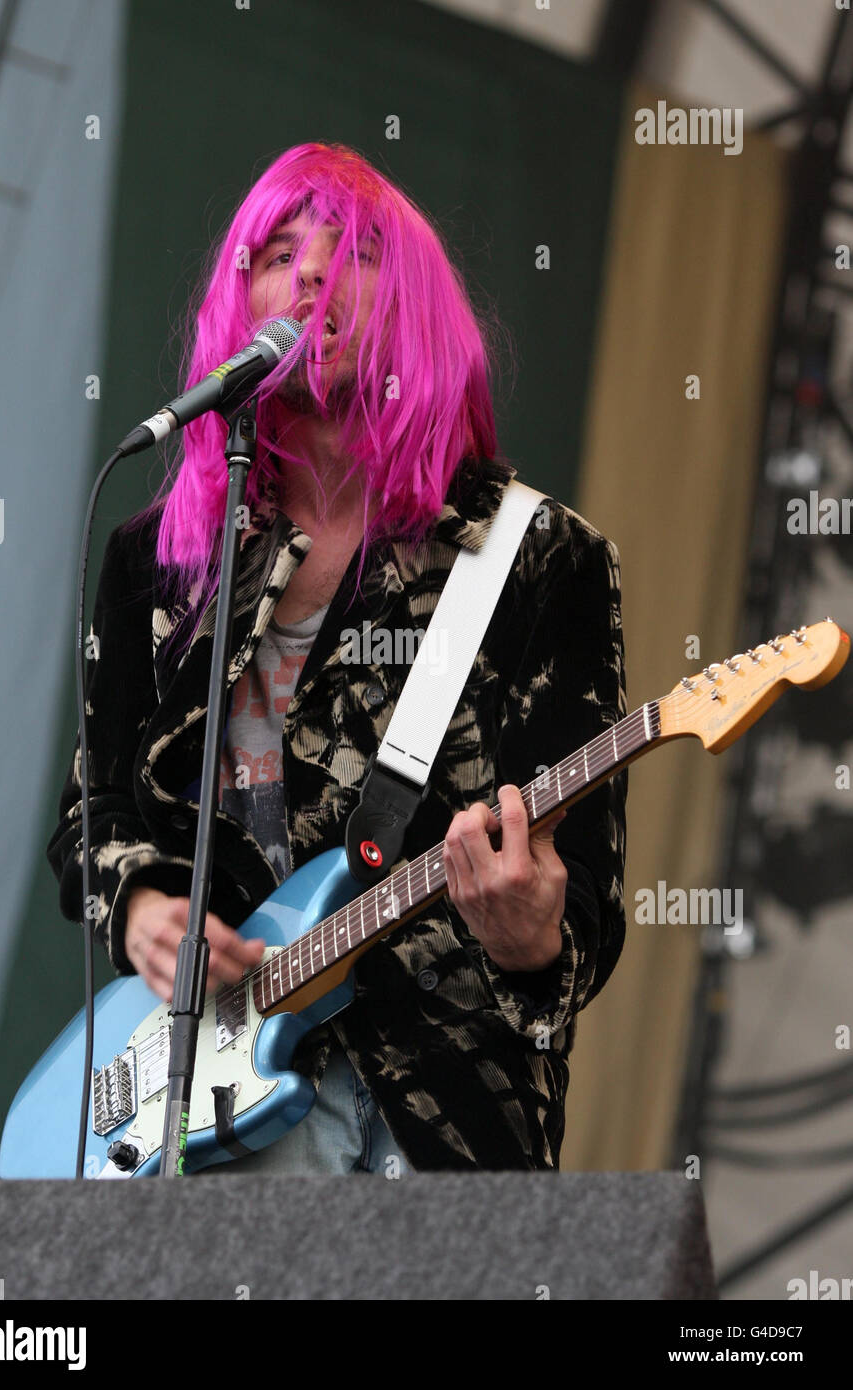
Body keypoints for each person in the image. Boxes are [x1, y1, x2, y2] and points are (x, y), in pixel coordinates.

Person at [47, 142, 627, 1174]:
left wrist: (530, 930)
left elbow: (585, 916)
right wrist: (140, 909)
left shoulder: (539, 559)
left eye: (351, 250)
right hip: (208, 1100)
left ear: (414, 305)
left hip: (439, 1125)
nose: (310, 273)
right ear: (240, 305)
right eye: (277, 251)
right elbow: (92, 812)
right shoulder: (162, 561)